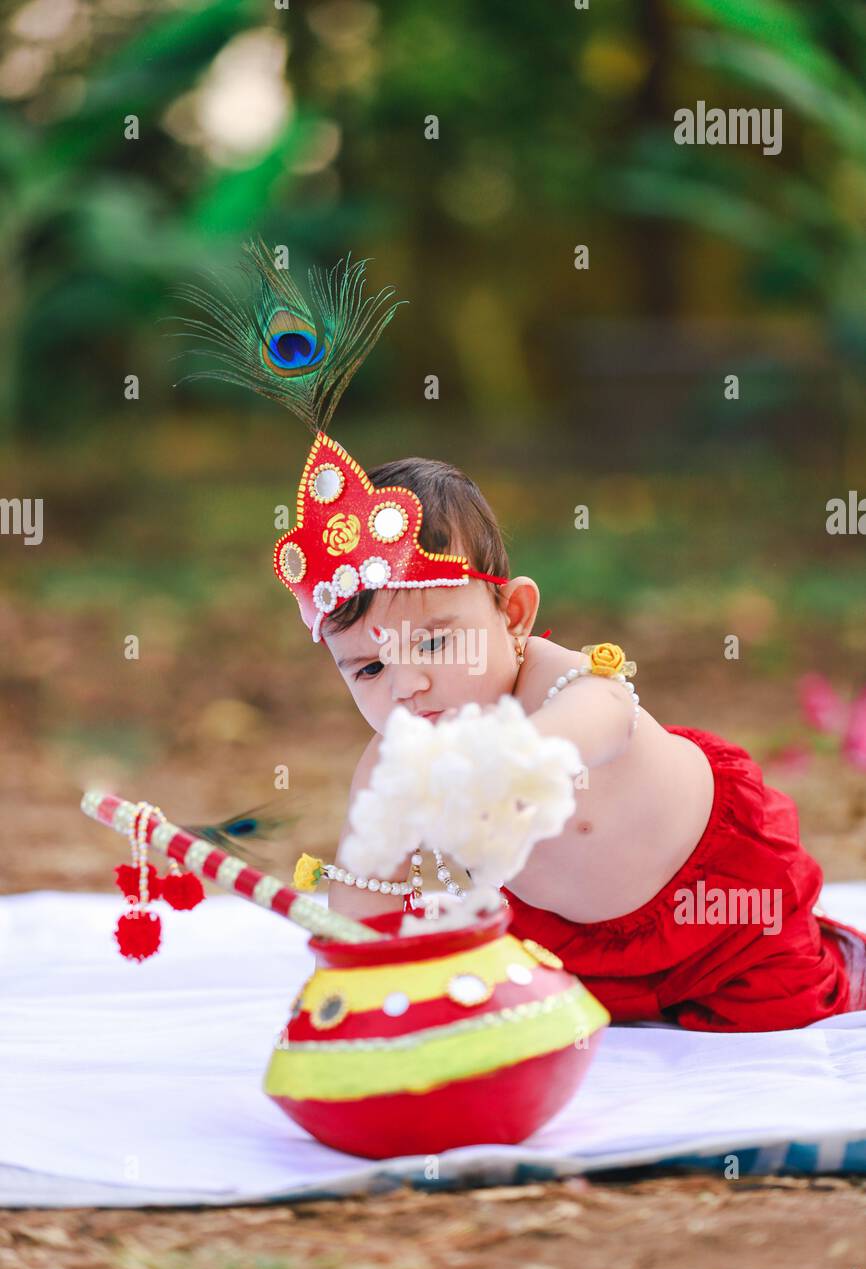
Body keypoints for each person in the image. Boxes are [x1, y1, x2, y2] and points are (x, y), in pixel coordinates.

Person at [177, 241, 866, 1033]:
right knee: (528, 1014)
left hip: (719, 903)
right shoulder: (394, 763)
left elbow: (599, 719)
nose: (406, 688)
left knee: (780, 1016)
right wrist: (350, 964)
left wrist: (507, 765)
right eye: (366, 668)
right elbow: (363, 900)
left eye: (435, 644)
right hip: (565, 947)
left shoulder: (561, 685)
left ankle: (841, 960)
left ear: (513, 618)